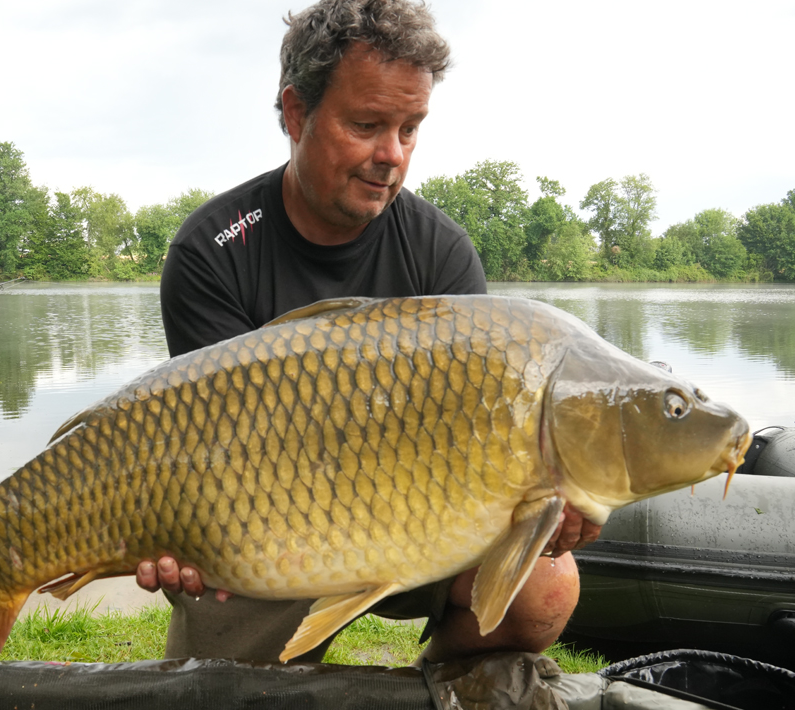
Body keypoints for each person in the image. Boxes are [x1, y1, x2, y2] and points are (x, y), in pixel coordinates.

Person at [139, 0, 600, 665]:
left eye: (410, 129)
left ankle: (437, 688)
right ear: (297, 114)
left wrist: (548, 496)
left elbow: (488, 432)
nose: (392, 155)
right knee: (219, 685)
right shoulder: (213, 251)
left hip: (422, 522)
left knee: (545, 588)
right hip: (264, 531)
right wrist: (175, 536)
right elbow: (207, 456)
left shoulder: (441, 255)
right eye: (367, 125)